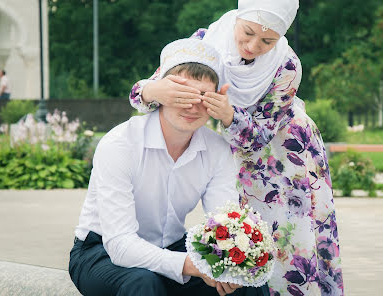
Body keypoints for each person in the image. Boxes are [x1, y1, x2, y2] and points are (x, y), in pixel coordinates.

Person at [128, 0, 344, 295]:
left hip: (286, 155)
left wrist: (230, 117)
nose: (254, 45)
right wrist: (152, 90)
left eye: (268, 40)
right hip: (228, 153)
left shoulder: (287, 66)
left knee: (289, 238)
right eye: (247, 33)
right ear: (238, 17)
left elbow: (261, 137)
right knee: (238, 237)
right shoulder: (204, 43)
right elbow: (142, 95)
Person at [69, 38, 269, 296]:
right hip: (101, 252)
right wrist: (193, 265)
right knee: (142, 283)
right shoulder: (120, 144)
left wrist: (228, 264)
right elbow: (119, 244)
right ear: (162, 94)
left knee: (247, 285)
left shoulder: (217, 150)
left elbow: (224, 220)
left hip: (172, 247)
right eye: (181, 95)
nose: (192, 106)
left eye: (203, 97)